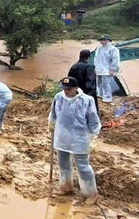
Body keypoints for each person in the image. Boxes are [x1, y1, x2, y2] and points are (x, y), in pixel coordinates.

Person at [49, 76, 101, 204]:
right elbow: (53, 114)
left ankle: (90, 193)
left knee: (83, 166)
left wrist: (94, 137)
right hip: (62, 137)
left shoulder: (87, 101)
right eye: (64, 89)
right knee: (63, 164)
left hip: (79, 139)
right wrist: (51, 124)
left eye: (69, 89)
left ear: (76, 88)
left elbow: (93, 120)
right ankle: (66, 187)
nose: (66, 91)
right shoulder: (59, 97)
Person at [68, 50, 99, 116]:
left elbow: (69, 80)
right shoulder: (89, 67)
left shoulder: (73, 66)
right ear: (89, 57)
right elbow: (91, 83)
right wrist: (91, 95)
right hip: (85, 93)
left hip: (75, 93)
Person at [93, 35, 120, 104]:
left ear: (107, 41)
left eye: (103, 40)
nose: (102, 42)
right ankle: (100, 94)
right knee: (98, 83)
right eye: (101, 40)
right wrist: (95, 67)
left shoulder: (113, 49)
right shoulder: (99, 48)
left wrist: (112, 69)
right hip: (99, 68)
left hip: (106, 69)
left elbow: (115, 60)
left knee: (106, 83)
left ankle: (107, 97)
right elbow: (96, 59)